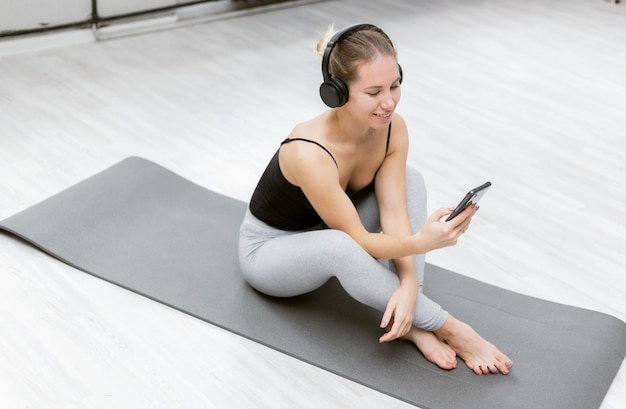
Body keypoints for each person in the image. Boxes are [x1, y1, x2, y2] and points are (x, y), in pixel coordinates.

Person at [238, 23, 513, 375]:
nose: (389, 102)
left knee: (410, 179)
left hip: (329, 227)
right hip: (270, 251)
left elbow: (394, 214)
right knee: (339, 245)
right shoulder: (308, 152)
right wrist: (421, 242)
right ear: (336, 94)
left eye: (395, 85)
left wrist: (411, 281)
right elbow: (360, 241)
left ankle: (409, 316)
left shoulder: (392, 128)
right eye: (373, 92)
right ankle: (449, 328)